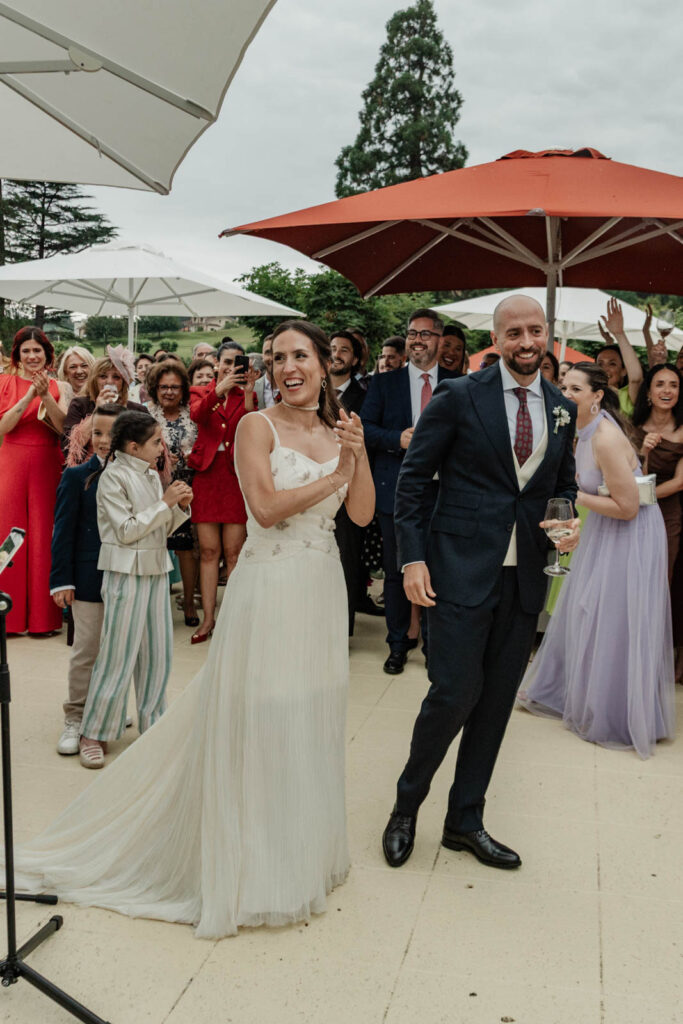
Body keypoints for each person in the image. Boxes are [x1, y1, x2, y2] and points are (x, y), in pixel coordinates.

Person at [9, 320, 374, 939]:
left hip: (320, 588)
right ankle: (248, 862)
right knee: (260, 714)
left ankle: (298, 851)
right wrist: (337, 474)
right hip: (269, 587)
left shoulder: (336, 433)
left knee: (311, 708)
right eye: (276, 356)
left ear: (323, 363)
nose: (289, 367)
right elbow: (264, 508)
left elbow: (360, 514)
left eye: (301, 356)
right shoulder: (259, 425)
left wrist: (356, 455)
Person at [382, 295, 580, 871]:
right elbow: (414, 482)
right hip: (457, 572)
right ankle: (405, 806)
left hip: (525, 582)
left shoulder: (563, 407)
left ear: (547, 335)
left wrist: (564, 528)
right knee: (452, 694)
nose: (526, 341)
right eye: (514, 331)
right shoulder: (458, 395)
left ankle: (465, 821)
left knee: (494, 705)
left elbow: (559, 488)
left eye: (535, 331)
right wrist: (413, 560)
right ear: (495, 338)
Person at [518, 364, 675, 758]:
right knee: (587, 609)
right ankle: (574, 693)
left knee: (614, 618)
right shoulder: (577, 431)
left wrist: (571, 497)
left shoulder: (604, 437)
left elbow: (627, 507)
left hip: (632, 533)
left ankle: (615, 714)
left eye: (575, 388)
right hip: (607, 527)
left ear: (597, 396)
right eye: (563, 386)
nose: (566, 394)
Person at [77, 411, 192, 768]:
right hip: (124, 574)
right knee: (117, 653)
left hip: (157, 571)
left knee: (158, 653)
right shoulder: (113, 478)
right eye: (157, 442)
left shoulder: (151, 476)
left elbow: (160, 529)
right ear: (133, 446)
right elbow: (127, 531)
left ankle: (153, 723)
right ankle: (93, 731)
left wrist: (180, 506)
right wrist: (167, 503)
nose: (163, 448)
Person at [361, 309, 458, 675]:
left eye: (425, 334)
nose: (417, 340)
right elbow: (366, 428)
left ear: (440, 340)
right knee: (397, 569)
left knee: (438, 570)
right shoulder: (386, 384)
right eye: (412, 334)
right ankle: (398, 644)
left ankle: (434, 647)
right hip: (396, 492)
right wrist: (396, 438)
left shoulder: (456, 384)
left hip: (444, 493)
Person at [50, 403, 125, 756]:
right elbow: (63, 531)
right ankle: (76, 717)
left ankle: (110, 709)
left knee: (118, 649)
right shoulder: (76, 477)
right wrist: (61, 580)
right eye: (97, 433)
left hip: (125, 576)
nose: (104, 440)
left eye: (112, 433)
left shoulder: (138, 476)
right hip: (86, 576)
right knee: (87, 650)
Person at [0, 327, 70, 634]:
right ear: (17, 355)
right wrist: (29, 393)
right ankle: (9, 617)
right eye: (26, 351)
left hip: (46, 462)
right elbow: (4, 426)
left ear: (47, 354)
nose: (32, 356)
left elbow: (63, 428)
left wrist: (45, 395)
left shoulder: (60, 387)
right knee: (9, 533)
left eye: (37, 351)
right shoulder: (4, 383)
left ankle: (44, 619)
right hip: (12, 462)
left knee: (44, 535)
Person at [188, 340, 257, 643]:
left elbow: (253, 425)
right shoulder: (201, 392)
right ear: (216, 364)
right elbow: (198, 416)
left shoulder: (246, 395)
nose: (231, 368)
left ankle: (232, 618)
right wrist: (220, 389)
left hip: (234, 477)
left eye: (236, 363)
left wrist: (250, 390)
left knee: (234, 553)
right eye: (226, 362)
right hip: (207, 475)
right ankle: (208, 618)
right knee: (208, 551)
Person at [146, 360, 198, 626]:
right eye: (163, 387)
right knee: (156, 545)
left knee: (186, 549)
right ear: (155, 388)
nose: (169, 392)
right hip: (153, 486)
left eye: (175, 387)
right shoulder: (145, 415)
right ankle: (156, 607)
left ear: (183, 389)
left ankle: (189, 604)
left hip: (187, 487)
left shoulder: (193, 414)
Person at [62, 350, 146, 462]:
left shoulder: (138, 410)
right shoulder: (80, 405)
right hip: (90, 473)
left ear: (124, 382)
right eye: (103, 376)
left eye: (116, 377)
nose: (109, 382)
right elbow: (69, 448)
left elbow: (150, 448)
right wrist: (97, 410)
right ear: (94, 380)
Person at [596, 297, 643, 417]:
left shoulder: (627, 396)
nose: (605, 369)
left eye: (612, 364)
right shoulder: (588, 395)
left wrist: (619, 334)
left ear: (623, 371)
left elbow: (636, 379)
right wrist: (609, 342)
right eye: (600, 364)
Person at [254, 334, 279, 407]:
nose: (272, 358)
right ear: (262, 356)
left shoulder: (297, 385)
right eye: (268, 353)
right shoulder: (252, 389)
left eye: (277, 353)